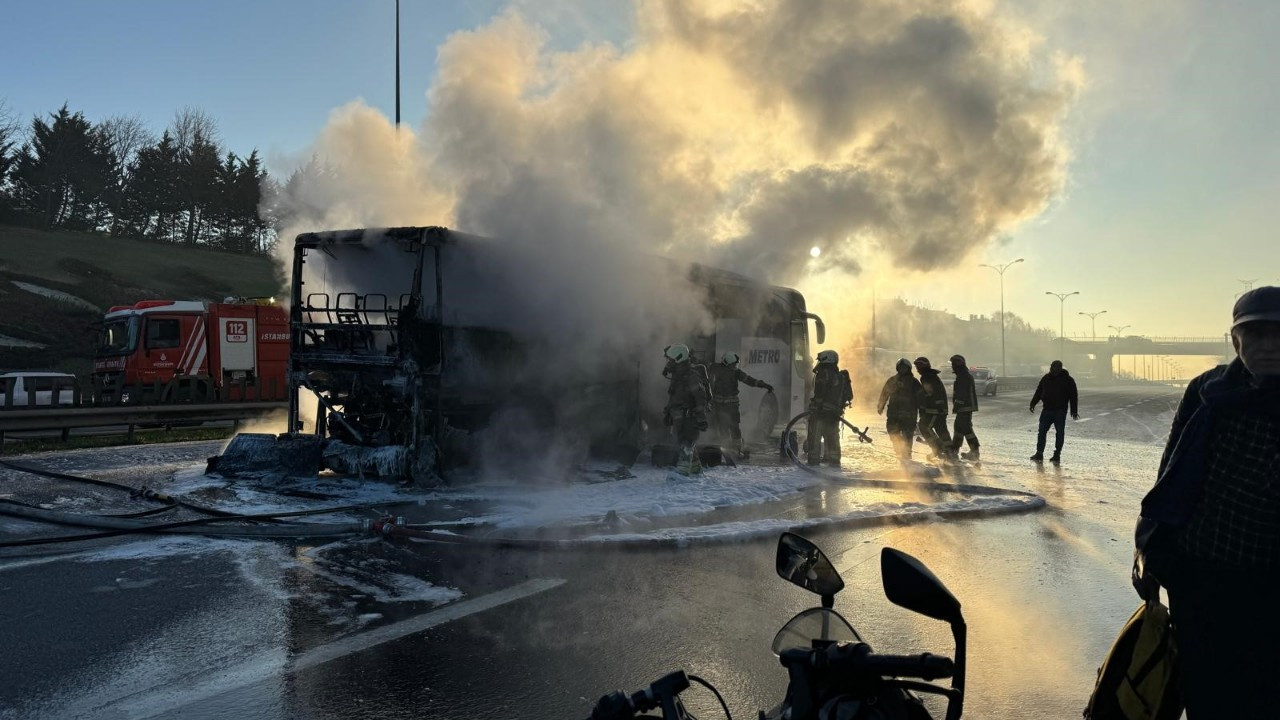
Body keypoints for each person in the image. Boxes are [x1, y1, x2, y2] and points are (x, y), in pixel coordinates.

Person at [1133, 287, 1280, 719]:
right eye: (1255, 333)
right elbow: (1172, 472)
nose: (1269, 345)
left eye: (1279, 334)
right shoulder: (1206, 390)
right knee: (1205, 688)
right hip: (1200, 574)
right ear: (1235, 340)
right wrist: (1151, 549)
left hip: (1270, 579)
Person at [708, 351, 773, 458]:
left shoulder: (715, 368)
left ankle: (726, 449)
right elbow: (750, 381)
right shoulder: (735, 372)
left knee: (724, 429)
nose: (735, 366)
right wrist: (764, 385)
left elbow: (704, 367)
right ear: (728, 363)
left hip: (719, 407)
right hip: (731, 407)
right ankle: (735, 450)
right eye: (734, 364)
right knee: (734, 429)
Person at [662, 343, 708, 476]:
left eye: (671, 360)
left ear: (679, 358)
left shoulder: (691, 375)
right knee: (685, 444)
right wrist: (668, 413)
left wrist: (701, 418)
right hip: (680, 418)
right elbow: (674, 397)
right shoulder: (678, 376)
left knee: (687, 445)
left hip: (689, 419)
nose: (669, 363)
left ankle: (681, 477)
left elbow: (700, 397)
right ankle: (696, 471)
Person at [1029, 360, 1078, 464]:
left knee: (1059, 433)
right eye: (1052, 366)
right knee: (1042, 432)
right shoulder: (1046, 378)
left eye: (1055, 367)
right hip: (1047, 409)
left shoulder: (1068, 380)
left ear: (1060, 368)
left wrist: (1074, 410)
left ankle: (1057, 454)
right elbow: (1039, 391)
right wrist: (1033, 403)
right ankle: (1039, 453)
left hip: (1060, 411)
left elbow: (1073, 396)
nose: (1053, 368)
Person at [807, 349, 851, 466]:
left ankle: (813, 462)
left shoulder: (822, 374)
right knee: (832, 438)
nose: (819, 363)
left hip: (820, 413)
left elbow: (819, 394)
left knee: (814, 438)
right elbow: (847, 397)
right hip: (834, 414)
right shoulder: (841, 376)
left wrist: (814, 408)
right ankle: (834, 461)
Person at [877, 358, 921, 460]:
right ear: (897, 368)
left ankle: (907, 453)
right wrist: (880, 405)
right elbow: (884, 393)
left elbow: (921, 396)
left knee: (908, 434)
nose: (902, 369)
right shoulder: (892, 381)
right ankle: (898, 447)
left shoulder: (914, 382)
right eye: (900, 368)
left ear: (908, 368)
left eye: (904, 368)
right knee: (892, 431)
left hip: (909, 414)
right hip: (893, 413)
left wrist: (922, 409)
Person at [913, 357, 953, 460]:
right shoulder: (931, 375)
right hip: (939, 408)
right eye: (916, 367)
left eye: (918, 366)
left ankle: (937, 447)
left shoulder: (926, 377)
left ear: (924, 366)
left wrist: (918, 397)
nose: (917, 369)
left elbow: (929, 393)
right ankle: (949, 451)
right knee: (941, 429)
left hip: (934, 409)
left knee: (924, 426)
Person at [948, 354, 981, 461]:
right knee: (959, 427)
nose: (952, 366)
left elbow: (961, 393)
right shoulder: (963, 375)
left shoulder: (963, 376)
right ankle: (955, 449)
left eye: (953, 364)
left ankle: (974, 451)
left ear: (958, 365)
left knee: (966, 428)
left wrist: (957, 404)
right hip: (965, 407)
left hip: (965, 407)